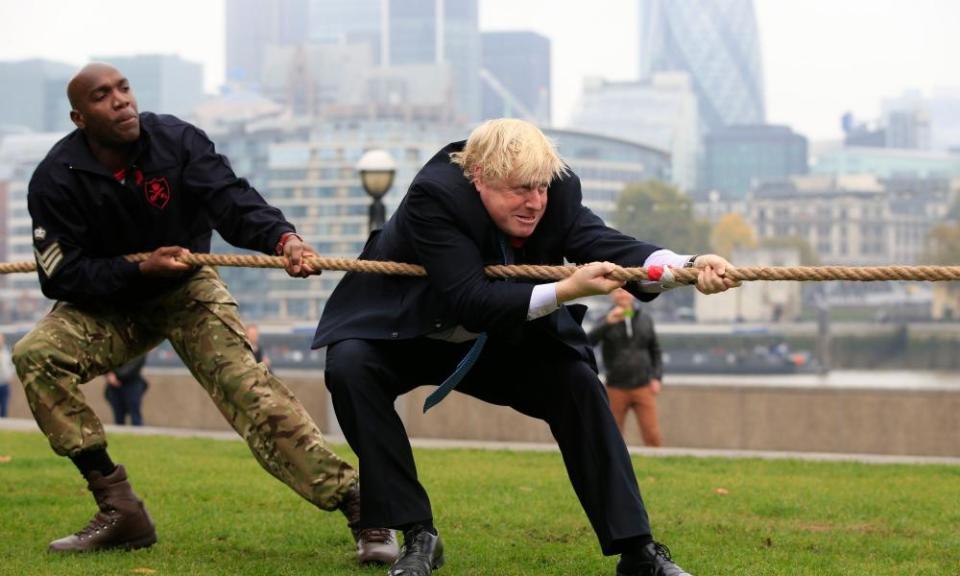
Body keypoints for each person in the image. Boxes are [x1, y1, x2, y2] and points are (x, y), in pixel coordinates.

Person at [313, 119, 739, 576]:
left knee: (578, 385)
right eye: (519, 190)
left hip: (501, 337)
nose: (534, 203)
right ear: (478, 176)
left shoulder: (556, 190)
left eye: (540, 188)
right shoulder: (434, 195)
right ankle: (418, 534)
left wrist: (685, 266)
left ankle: (638, 552)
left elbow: (603, 242)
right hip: (407, 330)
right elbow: (471, 300)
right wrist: (566, 289)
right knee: (350, 366)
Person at [12, 63, 398, 564]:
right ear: (79, 117)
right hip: (109, 304)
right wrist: (138, 271)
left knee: (251, 393)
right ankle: (119, 509)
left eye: (124, 89)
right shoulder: (54, 179)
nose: (121, 101)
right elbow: (60, 277)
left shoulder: (175, 139)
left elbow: (231, 200)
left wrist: (283, 238)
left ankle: (363, 508)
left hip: (186, 290)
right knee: (35, 356)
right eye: (103, 96)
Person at [588, 289, 664, 447]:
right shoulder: (605, 319)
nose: (623, 294)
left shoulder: (645, 318)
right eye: (618, 292)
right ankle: (614, 469)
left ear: (633, 294)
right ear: (612, 295)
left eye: (626, 291)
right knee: (612, 435)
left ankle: (658, 467)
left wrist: (657, 377)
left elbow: (655, 350)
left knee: (652, 434)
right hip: (616, 387)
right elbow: (589, 342)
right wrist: (607, 323)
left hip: (643, 386)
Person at [103, 355, 149, 426]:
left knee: (135, 415)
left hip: (132, 384)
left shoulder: (139, 349)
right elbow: (104, 360)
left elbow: (134, 365)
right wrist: (108, 374)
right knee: (118, 415)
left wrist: (116, 376)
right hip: (114, 387)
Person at [0, 333, 13, 418]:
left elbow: (11, 366)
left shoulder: (7, 352)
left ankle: (4, 423)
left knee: (4, 405)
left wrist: (10, 376)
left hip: (4, 383)